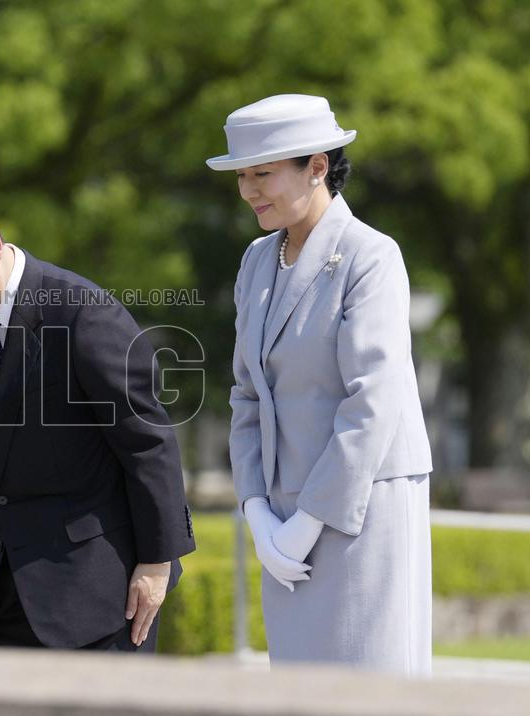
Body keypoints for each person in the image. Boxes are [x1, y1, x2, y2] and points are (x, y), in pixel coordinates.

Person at [0, 182, 195, 651]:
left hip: (102, 595)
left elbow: (147, 443)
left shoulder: (82, 313)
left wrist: (157, 564)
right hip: (8, 589)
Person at [207, 94, 433, 673]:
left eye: (263, 173)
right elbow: (245, 392)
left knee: (370, 688)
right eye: (242, 176)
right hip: (282, 518)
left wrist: (311, 519)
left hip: (363, 505)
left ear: (317, 167)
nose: (250, 189)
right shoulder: (256, 260)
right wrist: (256, 510)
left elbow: (373, 400)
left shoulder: (371, 256)